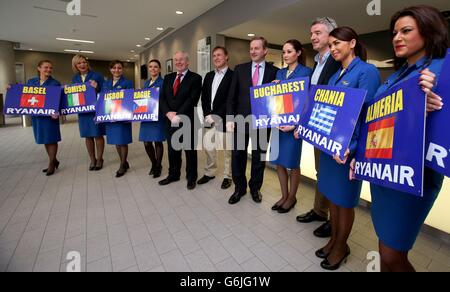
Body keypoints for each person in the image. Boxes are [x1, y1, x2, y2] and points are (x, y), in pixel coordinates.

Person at [350, 5, 449, 272]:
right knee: (385, 249)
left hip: (412, 178)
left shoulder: (443, 68)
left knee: (394, 255)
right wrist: (359, 157)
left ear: (429, 31)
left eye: (406, 31)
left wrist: (436, 100)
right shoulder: (397, 75)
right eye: (394, 32)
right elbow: (378, 120)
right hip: (384, 171)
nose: (396, 38)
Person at [315, 27, 381, 271]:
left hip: (347, 153)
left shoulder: (367, 72)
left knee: (344, 201)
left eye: (337, 43)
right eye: (330, 45)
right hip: (330, 149)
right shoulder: (334, 77)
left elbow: (369, 116)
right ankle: (334, 239)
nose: (332, 48)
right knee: (332, 197)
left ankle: (342, 246)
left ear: (352, 43)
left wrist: (353, 149)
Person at [296, 17, 341, 239]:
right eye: (311, 33)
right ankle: (319, 211)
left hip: (331, 127)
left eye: (318, 33)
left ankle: (334, 222)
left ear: (331, 36)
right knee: (320, 171)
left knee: (331, 174)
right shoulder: (318, 61)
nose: (313, 37)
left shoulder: (337, 60)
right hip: (315, 125)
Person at [226, 37, 279, 205]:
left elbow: (278, 100)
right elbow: (231, 97)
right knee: (238, 155)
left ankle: (255, 188)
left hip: (263, 122)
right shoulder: (240, 69)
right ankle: (239, 188)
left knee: (259, 157)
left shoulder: (274, 72)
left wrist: (279, 87)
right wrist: (230, 118)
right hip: (241, 120)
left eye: (257, 48)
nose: (253, 51)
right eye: (251, 48)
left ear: (265, 50)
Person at [270, 40, 312, 214]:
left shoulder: (306, 72)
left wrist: (296, 124)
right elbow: (276, 99)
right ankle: (284, 195)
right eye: (284, 52)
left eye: (289, 52)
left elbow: (307, 102)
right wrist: (272, 89)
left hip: (294, 126)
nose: (286, 55)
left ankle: (292, 197)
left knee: (293, 163)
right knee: (279, 162)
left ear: (298, 53)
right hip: (279, 124)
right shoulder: (279, 73)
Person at [159, 51, 202, 190]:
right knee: (172, 150)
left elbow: (192, 99)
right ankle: (174, 174)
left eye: (181, 59)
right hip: (170, 120)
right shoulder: (168, 77)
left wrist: (178, 114)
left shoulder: (196, 78)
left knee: (189, 152)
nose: (178, 62)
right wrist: (168, 113)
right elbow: (163, 98)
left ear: (187, 61)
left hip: (187, 120)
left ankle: (191, 178)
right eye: (176, 60)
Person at [198, 46, 234, 190]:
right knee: (209, 147)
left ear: (226, 57)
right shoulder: (208, 76)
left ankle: (227, 176)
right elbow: (204, 97)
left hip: (225, 119)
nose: (216, 58)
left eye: (219, 55)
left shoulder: (233, 75)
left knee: (227, 150)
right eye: (214, 56)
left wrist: (216, 116)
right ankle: (210, 172)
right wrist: (207, 114)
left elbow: (231, 99)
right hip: (208, 118)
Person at [26, 60, 62, 176]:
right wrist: (11, 88)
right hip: (37, 116)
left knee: (51, 138)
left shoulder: (55, 83)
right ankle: (54, 160)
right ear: (39, 68)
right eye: (46, 67)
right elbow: (24, 94)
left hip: (50, 116)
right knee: (44, 139)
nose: (48, 70)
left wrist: (57, 110)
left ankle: (51, 163)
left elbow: (58, 99)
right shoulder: (31, 82)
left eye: (50, 68)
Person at [71, 54, 106, 171]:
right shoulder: (75, 78)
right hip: (83, 112)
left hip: (95, 110)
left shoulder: (97, 76)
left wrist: (97, 88)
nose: (82, 65)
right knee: (87, 136)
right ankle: (92, 160)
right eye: (79, 63)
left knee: (98, 135)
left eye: (84, 62)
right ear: (75, 65)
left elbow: (105, 92)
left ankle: (100, 159)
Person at [102, 60, 134, 178]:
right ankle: (124, 162)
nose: (117, 70)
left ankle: (122, 165)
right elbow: (103, 99)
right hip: (110, 116)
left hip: (122, 116)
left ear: (122, 69)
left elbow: (129, 98)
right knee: (116, 140)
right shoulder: (106, 83)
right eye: (114, 68)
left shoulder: (127, 82)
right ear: (110, 69)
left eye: (119, 68)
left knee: (122, 140)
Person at [140, 59, 166, 179]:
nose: (153, 69)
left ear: (159, 69)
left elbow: (165, 99)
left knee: (157, 141)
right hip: (146, 116)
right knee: (146, 143)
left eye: (155, 67)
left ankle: (158, 166)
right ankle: (154, 163)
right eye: (150, 67)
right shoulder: (146, 83)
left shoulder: (163, 82)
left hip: (158, 116)